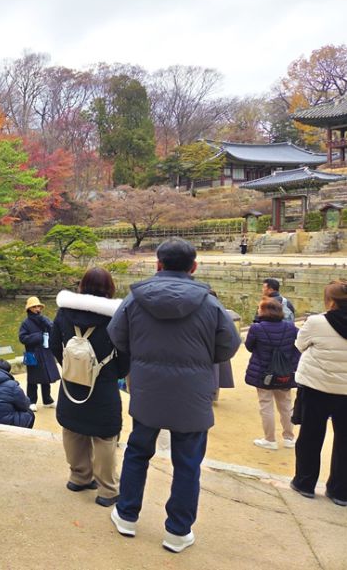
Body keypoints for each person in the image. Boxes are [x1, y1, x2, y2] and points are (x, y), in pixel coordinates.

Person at [107, 237, 240, 553]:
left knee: (138, 452)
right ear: (194, 267)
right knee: (188, 463)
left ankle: (126, 515)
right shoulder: (210, 304)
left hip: (147, 389)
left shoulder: (134, 300)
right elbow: (229, 346)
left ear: (158, 264)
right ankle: (178, 532)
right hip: (192, 395)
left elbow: (117, 337)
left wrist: (143, 352)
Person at [50, 268, 129, 507]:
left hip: (72, 383)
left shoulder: (64, 312)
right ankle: (107, 490)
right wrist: (112, 373)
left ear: (82, 285)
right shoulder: (116, 316)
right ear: (110, 287)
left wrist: (71, 366)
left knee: (73, 430)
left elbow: (54, 343)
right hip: (102, 385)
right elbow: (125, 354)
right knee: (105, 436)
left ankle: (78, 477)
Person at [290, 280, 347, 507]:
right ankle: (340, 491)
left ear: (330, 301)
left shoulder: (316, 321)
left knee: (311, 436)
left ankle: (305, 483)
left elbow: (299, 344)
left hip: (317, 387)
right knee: (345, 441)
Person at [244, 297, 300, 450]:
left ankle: (270, 439)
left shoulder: (257, 328)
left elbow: (249, 346)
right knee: (286, 405)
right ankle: (289, 438)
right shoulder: (290, 328)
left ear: (263, 311)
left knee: (266, 405)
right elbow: (299, 345)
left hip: (263, 372)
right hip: (284, 372)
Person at [18, 296, 60, 411]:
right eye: (34, 307)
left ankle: (47, 400)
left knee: (46, 377)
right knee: (32, 379)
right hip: (31, 353)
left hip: (45, 352)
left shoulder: (43, 320)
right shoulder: (25, 323)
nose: (37, 309)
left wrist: (46, 322)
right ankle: (31, 401)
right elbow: (22, 338)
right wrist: (38, 336)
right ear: (29, 309)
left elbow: (53, 331)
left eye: (38, 306)